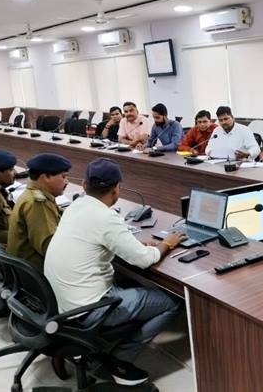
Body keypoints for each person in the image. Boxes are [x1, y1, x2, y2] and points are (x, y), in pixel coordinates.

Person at [44, 158, 185, 386]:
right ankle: (120, 359)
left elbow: (95, 240)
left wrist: (131, 244)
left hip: (63, 304)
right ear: (116, 188)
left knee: (133, 285)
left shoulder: (75, 206)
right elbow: (144, 260)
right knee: (175, 301)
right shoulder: (106, 217)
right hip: (89, 309)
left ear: (84, 185)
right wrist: (166, 244)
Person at [7, 153, 71, 271]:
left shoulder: (33, 195)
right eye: (63, 177)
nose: (67, 182)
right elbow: (50, 249)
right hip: (35, 271)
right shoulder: (37, 203)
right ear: (46, 177)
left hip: (26, 267)